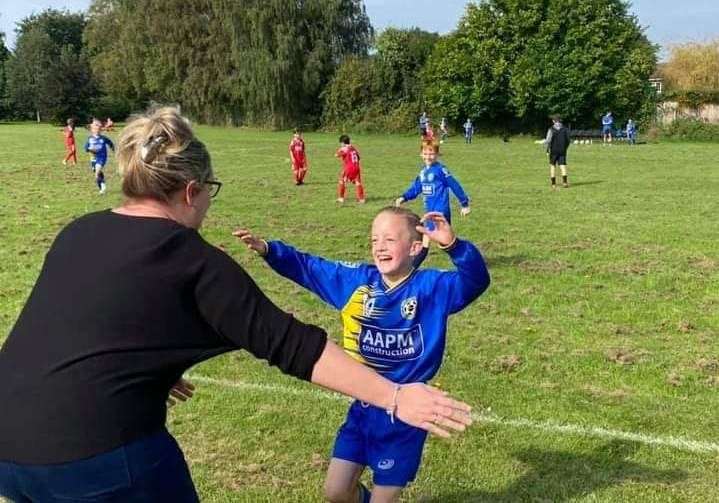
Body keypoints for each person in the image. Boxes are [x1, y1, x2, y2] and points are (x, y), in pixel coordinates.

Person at [0, 107, 473, 503]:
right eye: (210, 192)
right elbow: (290, 343)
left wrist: (151, 372)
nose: (208, 205)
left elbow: (88, 323)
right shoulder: (191, 258)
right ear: (190, 193)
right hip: (97, 457)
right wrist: (395, 396)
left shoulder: (78, 231)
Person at [235, 206, 490, 503]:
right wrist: (269, 250)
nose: (379, 246)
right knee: (336, 492)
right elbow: (310, 268)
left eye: (390, 240)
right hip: (364, 406)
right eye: (374, 240)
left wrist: (453, 245)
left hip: (406, 415)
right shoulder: (357, 283)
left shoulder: (433, 288)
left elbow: (476, 281)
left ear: (415, 247)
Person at [395, 140, 471, 267]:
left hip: (440, 211)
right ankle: (464, 262)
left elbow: (454, 185)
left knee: (435, 239)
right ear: (421, 154)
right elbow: (416, 187)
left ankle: (412, 267)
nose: (428, 156)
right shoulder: (423, 171)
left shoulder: (441, 170)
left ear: (437, 154)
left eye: (431, 153)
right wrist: (404, 197)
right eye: (425, 153)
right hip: (430, 211)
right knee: (441, 241)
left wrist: (464, 203)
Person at [84, 119, 115, 194]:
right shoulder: (90, 139)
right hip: (93, 158)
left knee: (97, 173)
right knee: (97, 173)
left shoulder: (103, 138)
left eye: (99, 129)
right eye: (95, 129)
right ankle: (102, 186)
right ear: (92, 130)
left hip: (102, 157)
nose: (97, 131)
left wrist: (114, 150)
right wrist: (91, 150)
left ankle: (102, 188)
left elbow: (110, 143)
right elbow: (85, 148)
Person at [335, 134, 365, 204]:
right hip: (357, 167)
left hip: (349, 168)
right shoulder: (353, 148)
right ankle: (361, 199)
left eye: (340, 143)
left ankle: (341, 198)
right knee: (358, 183)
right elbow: (358, 157)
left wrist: (340, 149)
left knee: (342, 181)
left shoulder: (344, 149)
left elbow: (336, 155)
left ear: (342, 143)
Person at [544, 114, 571, 189]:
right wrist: (565, 148)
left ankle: (553, 184)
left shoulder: (551, 129)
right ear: (560, 120)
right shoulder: (565, 129)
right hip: (562, 150)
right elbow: (568, 140)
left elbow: (548, 141)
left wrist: (547, 150)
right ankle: (565, 182)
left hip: (553, 150)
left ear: (553, 121)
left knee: (552, 166)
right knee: (563, 166)